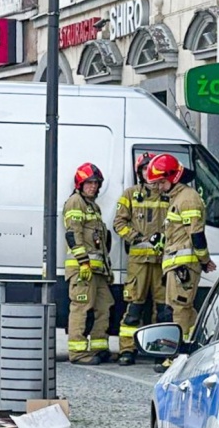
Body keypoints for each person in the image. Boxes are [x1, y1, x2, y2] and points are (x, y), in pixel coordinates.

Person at [146, 154, 215, 362]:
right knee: (185, 310)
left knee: (179, 310)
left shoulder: (188, 199)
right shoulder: (178, 198)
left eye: (160, 182)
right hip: (177, 266)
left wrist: (204, 261)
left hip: (183, 266)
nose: (158, 187)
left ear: (173, 177)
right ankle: (196, 347)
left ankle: (178, 357)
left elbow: (196, 235)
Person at [113, 153, 170, 366]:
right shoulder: (130, 194)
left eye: (152, 168)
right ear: (139, 172)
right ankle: (127, 350)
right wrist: (137, 237)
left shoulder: (168, 194)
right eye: (145, 169)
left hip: (162, 261)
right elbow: (119, 223)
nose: (148, 172)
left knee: (163, 309)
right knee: (134, 307)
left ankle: (160, 350)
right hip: (138, 263)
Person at [63, 162, 115, 365]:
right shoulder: (75, 202)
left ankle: (99, 348)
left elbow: (99, 242)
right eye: (89, 183)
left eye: (95, 183)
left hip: (97, 270)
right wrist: (83, 263)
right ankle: (77, 353)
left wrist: (106, 269)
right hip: (82, 268)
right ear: (80, 184)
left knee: (105, 305)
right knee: (82, 307)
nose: (92, 186)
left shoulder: (93, 206)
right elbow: (72, 234)